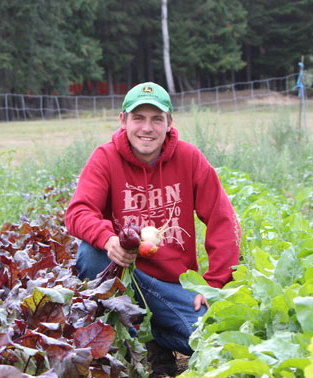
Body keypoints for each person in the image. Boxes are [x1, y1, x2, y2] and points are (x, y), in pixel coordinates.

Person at [65, 82, 240, 376]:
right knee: (91, 254)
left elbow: (223, 219)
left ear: (169, 122)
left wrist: (216, 285)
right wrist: (108, 240)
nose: (147, 128)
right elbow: (78, 212)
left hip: (175, 286)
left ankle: (152, 338)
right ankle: (132, 341)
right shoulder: (105, 158)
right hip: (127, 277)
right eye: (139, 118)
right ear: (124, 120)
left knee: (209, 337)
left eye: (156, 118)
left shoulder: (189, 158)